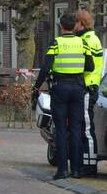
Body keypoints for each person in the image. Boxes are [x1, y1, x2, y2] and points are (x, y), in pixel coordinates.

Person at [34, 13, 94, 180]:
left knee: (60, 130)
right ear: (75, 26)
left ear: (61, 26)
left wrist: (36, 87)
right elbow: (90, 66)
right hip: (78, 88)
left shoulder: (56, 43)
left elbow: (46, 68)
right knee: (76, 128)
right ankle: (76, 169)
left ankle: (62, 170)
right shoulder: (83, 43)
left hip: (60, 88)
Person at [74, 10, 104, 176]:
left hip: (87, 86)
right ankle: (86, 162)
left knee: (86, 128)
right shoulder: (90, 38)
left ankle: (90, 166)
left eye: (76, 23)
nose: (74, 26)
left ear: (81, 23)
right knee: (84, 127)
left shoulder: (87, 40)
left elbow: (86, 65)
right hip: (88, 86)